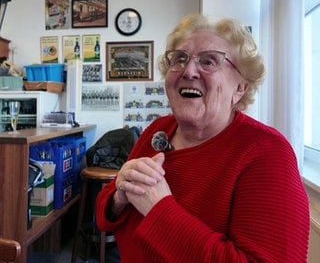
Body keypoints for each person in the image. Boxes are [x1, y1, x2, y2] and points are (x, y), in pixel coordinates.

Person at [96, 14, 310, 262]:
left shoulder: (266, 153)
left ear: (240, 87)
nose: (188, 70)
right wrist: (118, 197)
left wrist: (158, 210)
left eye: (209, 62)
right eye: (179, 59)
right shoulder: (159, 129)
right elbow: (104, 217)